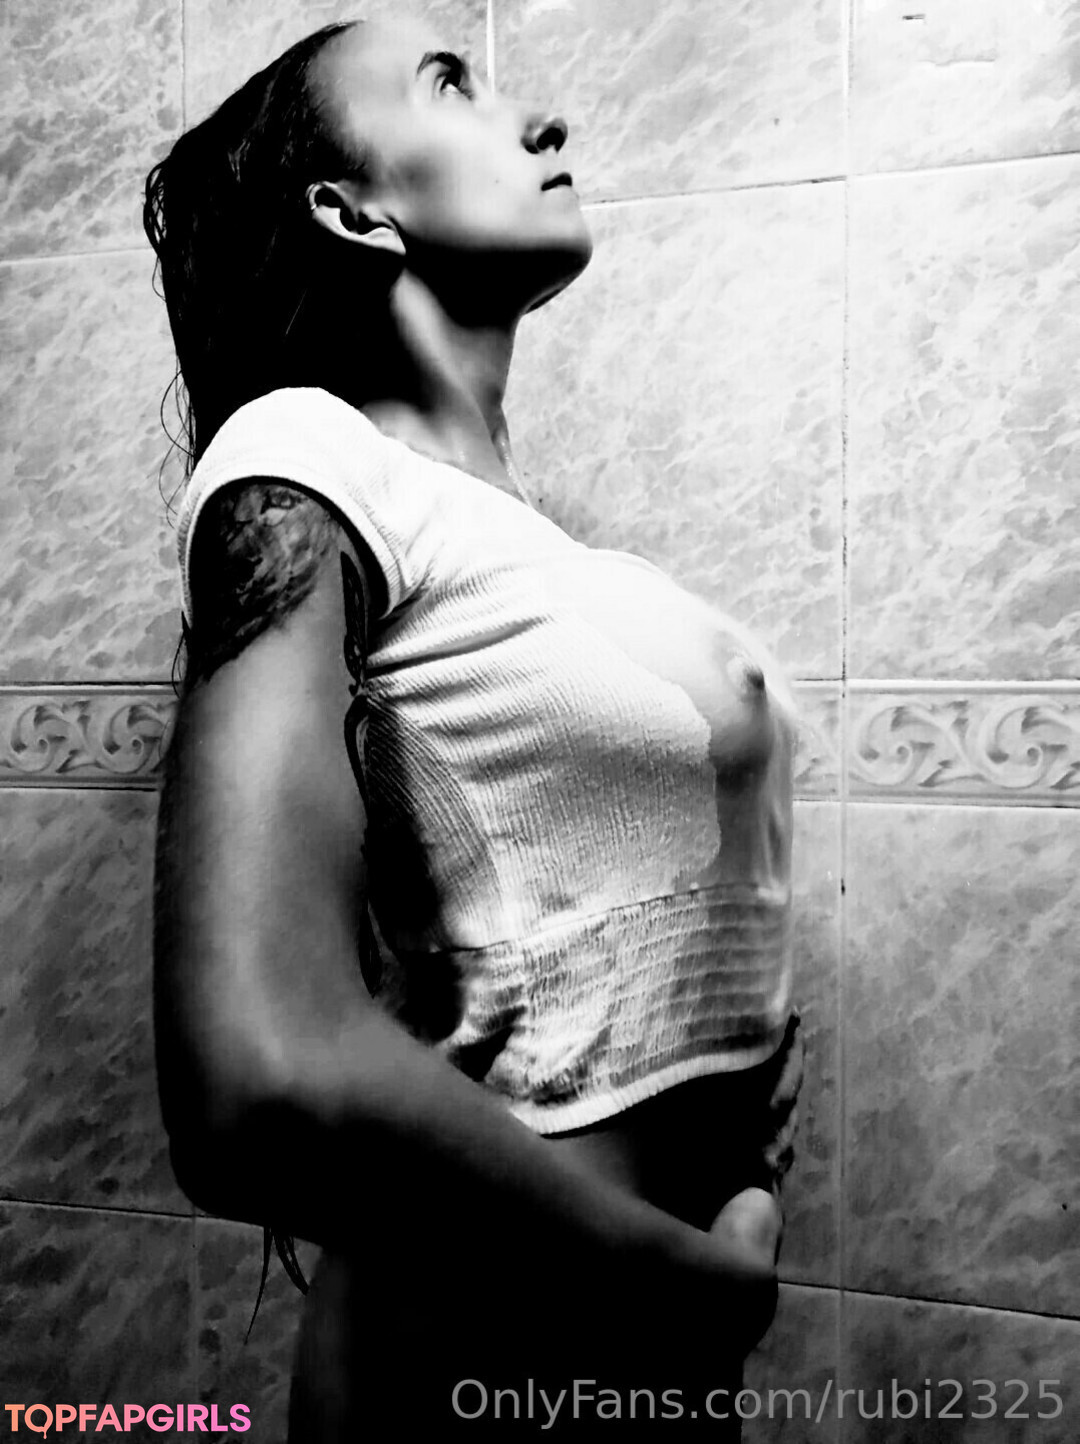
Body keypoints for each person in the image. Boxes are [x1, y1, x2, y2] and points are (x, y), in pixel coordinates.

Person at [144, 13, 805, 1440]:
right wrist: (693, 1284)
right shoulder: (305, 457)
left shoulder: (532, 551)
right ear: (350, 208)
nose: (542, 120)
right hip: (469, 1364)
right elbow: (255, 1077)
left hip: (640, 1363)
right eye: (449, 83)